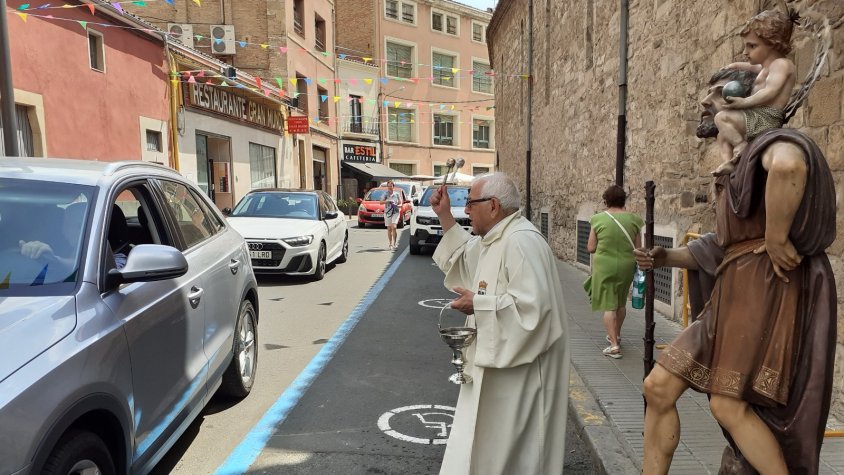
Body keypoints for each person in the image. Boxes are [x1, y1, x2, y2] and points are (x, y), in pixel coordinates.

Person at [635, 67, 836, 474]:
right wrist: (665, 257)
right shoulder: (737, 163)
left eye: (715, 99)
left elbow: (790, 168)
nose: (707, 108)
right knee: (657, 387)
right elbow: (721, 246)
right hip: (729, 294)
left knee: (727, 403)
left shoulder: (774, 144)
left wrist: (777, 236)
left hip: (762, 291)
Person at [430, 172, 570, 474]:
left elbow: (534, 312)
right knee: (487, 453)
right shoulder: (497, 238)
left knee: (512, 459)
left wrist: (477, 304)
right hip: (498, 375)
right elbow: (467, 258)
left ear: (493, 205)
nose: (465, 210)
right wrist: (444, 216)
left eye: (469, 203)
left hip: (521, 382)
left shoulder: (521, 242)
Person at [712, 10, 797, 176]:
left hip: (766, 117)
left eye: (752, 46)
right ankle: (731, 164)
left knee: (721, 117)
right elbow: (752, 67)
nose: (745, 52)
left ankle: (740, 147)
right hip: (757, 115)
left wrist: (744, 102)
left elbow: (770, 92)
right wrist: (735, 66)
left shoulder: (781, 65)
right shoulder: (767, 66)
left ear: (773, 44)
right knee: (722, 136)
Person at [585, 184, 644, 359]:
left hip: (605, 265)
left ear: (606, 201)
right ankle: (616, 334)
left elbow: (590, 247)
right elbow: (639, 248)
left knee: (608, 305)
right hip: (627, 265)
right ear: (623, 200)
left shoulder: (597, 219)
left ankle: (614, 345)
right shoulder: (634, 219)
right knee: (620, 302)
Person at [379, 180, 402, 250]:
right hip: (387, 212)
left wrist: (397, 205)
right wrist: (388, 201)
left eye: (390, 186)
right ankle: (390, 244)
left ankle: (395, 244)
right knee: (389, 229)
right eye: (388, 186)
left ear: (393, 186)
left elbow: (401, 203)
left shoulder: (397, 194)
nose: (389, 187)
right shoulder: (385, 194)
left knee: (394, 227)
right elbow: (381, 202)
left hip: (395, 212)